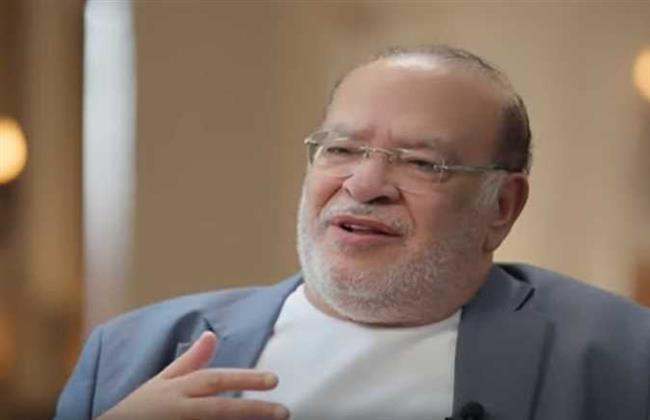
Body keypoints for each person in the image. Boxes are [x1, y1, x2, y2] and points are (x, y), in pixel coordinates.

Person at [55, 45, 650, 420]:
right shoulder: (132, 354)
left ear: (502, 206)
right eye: (340, 149)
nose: (365, 185)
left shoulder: (619, 356)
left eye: (422, 163)